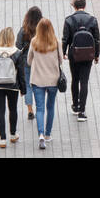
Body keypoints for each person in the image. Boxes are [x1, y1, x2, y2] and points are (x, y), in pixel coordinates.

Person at [61, 0, 100, 121]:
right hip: (88, 55)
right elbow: (97, 40)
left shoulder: (69, 20)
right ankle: (82, 112)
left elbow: (65, 39)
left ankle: (75, 105)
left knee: (75, 79)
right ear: (85, 5)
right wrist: (96, 55)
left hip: (74, 54)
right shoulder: (92, 20)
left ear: (74, 6)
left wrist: (63, 52)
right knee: (84, 81)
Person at [27, 18, 65, 149]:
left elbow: (28, 60)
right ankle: (48, 134)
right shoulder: (56, 42)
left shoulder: (34, 42)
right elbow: (61, 60)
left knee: (40, 108)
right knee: (50, 107)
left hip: (37, 80)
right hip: (53, 80)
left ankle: (41, 134)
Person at [0, 28, 25, 148]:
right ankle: (13, 134)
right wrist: (23, 89)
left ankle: (2, 139)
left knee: (0, 110)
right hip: (12, 85)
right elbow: (21, 73)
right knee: (13, 109)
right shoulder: (17, 52)